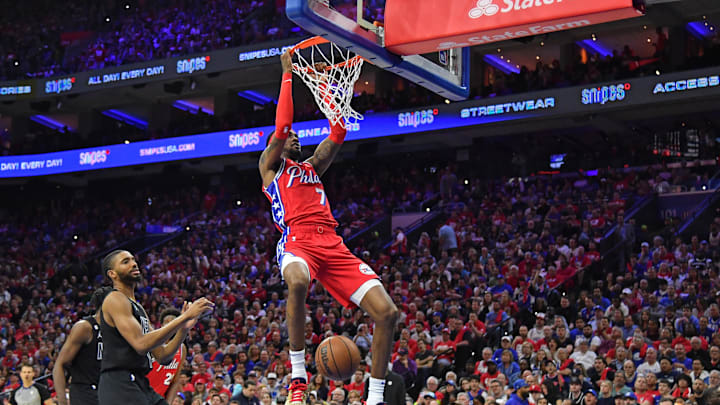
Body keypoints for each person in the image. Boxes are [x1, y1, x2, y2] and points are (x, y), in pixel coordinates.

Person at [258, 51, 398, 405]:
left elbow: (338, 130)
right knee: (299, 282)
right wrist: (288, 75)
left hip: (333, 244)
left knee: (388, 313)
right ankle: (298, 376)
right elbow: (282, 127)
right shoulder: (271, 169)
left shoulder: (312, 167)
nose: (294, 139)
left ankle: (376, 397)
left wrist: (326, 85)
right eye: (288, 139)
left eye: (295, 139)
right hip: (298, 240)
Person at [98, 250, 214, 405]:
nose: (133, 263)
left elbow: (163, 356)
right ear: (112, 274)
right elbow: (140, 344)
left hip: (140, 384)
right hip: (120, 383)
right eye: (125, 262)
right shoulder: (115, 299)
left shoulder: (138, 307)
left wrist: (183, 328)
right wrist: (183, 317)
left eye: (133, 259)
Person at [52, 286, 113, 405]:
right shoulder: (85, 327)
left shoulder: (117, 331)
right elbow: (59, 365)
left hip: (107, 392)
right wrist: (62, 401)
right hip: (84, 392)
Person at [147, 307, 188, 402]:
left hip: (159, 399)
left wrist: (167, 403)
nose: (170, 324)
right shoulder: (152, 343)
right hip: (141, 395)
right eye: (166, 322)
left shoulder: (182, 349)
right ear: (161, 325)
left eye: (173, 321)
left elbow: (175, 381)